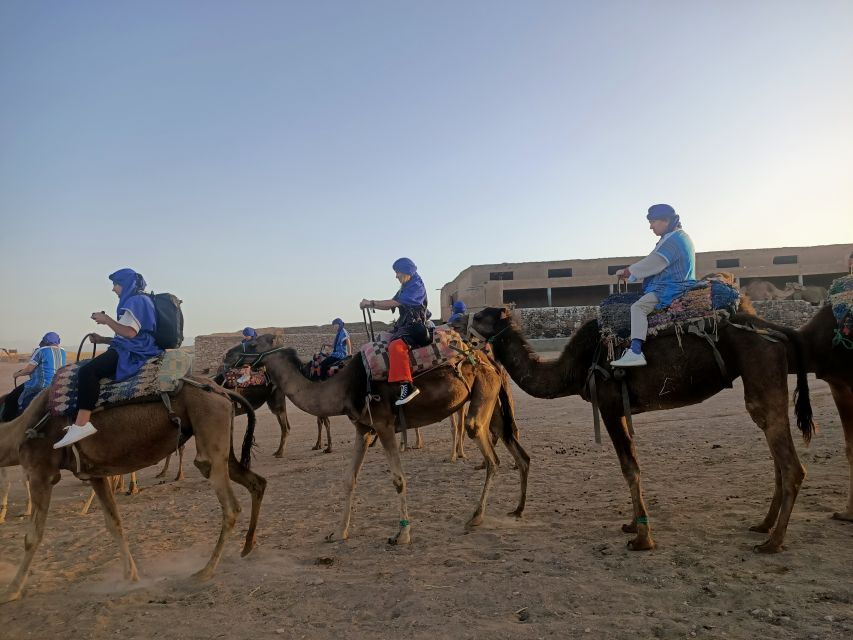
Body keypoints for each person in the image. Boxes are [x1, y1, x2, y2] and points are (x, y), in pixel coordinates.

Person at [53, 269, 163, 448]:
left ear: (125, 284)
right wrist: (103, 339)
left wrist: (107, 320)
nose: (113, 289)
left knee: (88, 372)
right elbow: (130, 334)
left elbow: (130, 332)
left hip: (135, 351)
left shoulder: (136, 301)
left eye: (115, 284)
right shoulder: (139, 300)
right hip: (131, 346)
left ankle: (81, 424)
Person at [610, 204, 697, 368]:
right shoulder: (676, 237)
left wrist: (628, 271)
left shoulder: (674, 240)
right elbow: (653, 263)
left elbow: (654, 262)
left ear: (666, 220)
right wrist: (633, 273)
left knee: (638, 308)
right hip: (673, 284)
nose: (651, 226)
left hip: (672, 288)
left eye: (653, 222)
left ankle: (635, 352)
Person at [360, 257, 432, 405]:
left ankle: (407, 385)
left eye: (398, 272)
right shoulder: (406, 286)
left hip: (414, 327)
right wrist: (370, 305)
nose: (396, 276)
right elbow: (390, 303)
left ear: (407, 271)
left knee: (396, 346)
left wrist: (371, 302)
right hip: (404, 325)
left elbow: (394, 303)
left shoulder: (416, 285)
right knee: (383, 339)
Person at [2, 333, 67, 421]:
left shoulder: (41, 350)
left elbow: (29, 369)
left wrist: (17, 374)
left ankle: (9, 423)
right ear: (58, 341)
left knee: (11, 398)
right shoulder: (62, 351)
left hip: (41, 384)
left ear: (44, 341)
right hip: (56, 385)